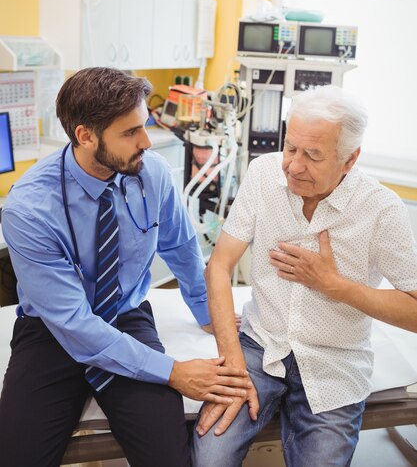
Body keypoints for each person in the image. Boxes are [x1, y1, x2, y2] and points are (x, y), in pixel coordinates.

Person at [0, 67, 251, 467]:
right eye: (130, 132)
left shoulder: (150, 174)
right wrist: (173, 372)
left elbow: (180, 244)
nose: (147, 141)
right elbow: (75, 324)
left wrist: (205, 310)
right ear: (85, 136)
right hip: (51, 332)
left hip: (124, 316)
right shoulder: (28, 210)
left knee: (168, 455)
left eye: (144, 126)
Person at [191, 84, 417, 467]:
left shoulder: (381, 210)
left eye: (312, 155)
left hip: (334, 363)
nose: (294, 166)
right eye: (291, 147)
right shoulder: (264, 173)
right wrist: (231, 360)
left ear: (349, 159)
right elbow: (219, 266)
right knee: (208, 458)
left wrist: (335, 286)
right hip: (259, 347)